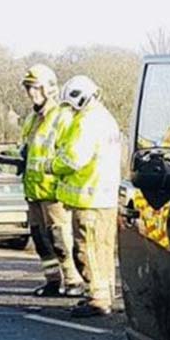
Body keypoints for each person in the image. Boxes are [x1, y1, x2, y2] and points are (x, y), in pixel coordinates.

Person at [54, 75, 123, 318]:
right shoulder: (107, 119)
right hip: (106, 198)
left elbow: (74, 158)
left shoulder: (86, 121)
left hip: (89, 199)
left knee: (87, 250)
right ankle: (105, 293)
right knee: (103, 249)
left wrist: (52, 165)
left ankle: (97, 299)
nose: (69, 109)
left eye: (70, 104)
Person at [17, 64, 82, 296]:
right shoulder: (31, 119)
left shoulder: (62, 116)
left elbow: (69, 152)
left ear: (48, 88)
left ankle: (73, 280)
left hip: (55, 190)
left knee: (60, 239)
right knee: (40, 238)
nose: (31, 93)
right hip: (34, 188)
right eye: (28, 88)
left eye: (35, 88)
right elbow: (28, 148)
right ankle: (52, 281)